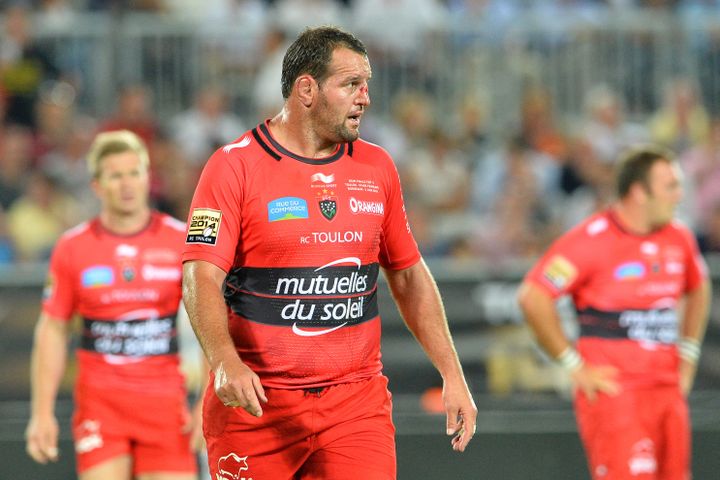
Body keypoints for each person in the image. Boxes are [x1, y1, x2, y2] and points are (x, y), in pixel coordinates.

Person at [182, 26, 477, 480]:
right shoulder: (233, 166)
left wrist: (452, 374)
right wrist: (224, 361)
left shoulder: (377, 166)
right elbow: (201, 275)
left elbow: (409, 275)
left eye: (367, 85)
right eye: (351, 84)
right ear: (306, 89)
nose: (365, 98)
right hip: (257, 406)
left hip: (354, 404)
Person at [517, 145, 711, 480]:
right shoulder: (589, 241)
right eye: (671, 187)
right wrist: (572, 365)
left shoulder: (678, 237)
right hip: (616, 396)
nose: (680, 195)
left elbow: (699, 287)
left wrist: (689, 354)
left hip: (667, 393)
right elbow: (533, 297)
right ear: (639, 192)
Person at [25, 130, 202, 480]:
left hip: (166, 407)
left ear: (148, 178)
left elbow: (211, 318)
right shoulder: (73, 248)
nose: (127, 184)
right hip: (101, 409)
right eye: (115, 175)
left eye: (134, 173)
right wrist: (41, 412)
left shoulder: (180, 240)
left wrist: (207, 403)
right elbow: (52, 329)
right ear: (97, 185)